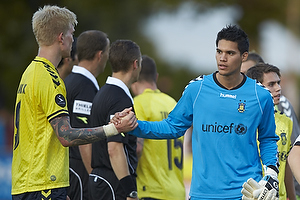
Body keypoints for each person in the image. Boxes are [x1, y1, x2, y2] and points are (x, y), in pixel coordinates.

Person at [113, 25, 280, 200]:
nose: (222, 58)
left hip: (245, 193)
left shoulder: (260, 95)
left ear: (244, 56)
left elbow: (267, 138)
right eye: (219, 51)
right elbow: (172, 127)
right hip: (203, 193)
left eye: (230, 53)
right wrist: (133, 126)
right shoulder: (197, 89)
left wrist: (271, 171)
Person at [11, 5, 137, 200]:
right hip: (43, 185)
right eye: (71, 33)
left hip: (29, 183)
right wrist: (113, 129)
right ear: (61, 37)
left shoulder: (29, 72)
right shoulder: (49, 77)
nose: (73, 40)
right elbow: (66, 135)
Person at [242, 52, 300, 199]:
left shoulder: (286, 121)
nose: (278, 88)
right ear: (256, 87)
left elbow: (285, 161)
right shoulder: (241, 121)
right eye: (271, 84)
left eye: (278, 83)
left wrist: (292, 196)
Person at [89, 40, 141, 200]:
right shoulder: (120, 98)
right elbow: (114, 149)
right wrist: (130, 191)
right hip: (113, 182)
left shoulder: (103, 91)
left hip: (101, 180)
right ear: (135, 64)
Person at [130, 55, 185, 200]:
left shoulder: (138, 103)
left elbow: (137, 148)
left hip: (151, 191)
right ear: (156, 76)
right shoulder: (173, 103)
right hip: (178, 191)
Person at [64, 30, 110, 200]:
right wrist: (96, 179)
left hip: (74, 170)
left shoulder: (73, 81)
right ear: (100, 55)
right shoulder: (83, 87)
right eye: (107, 52)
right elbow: (83, 138)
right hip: (80, 173)